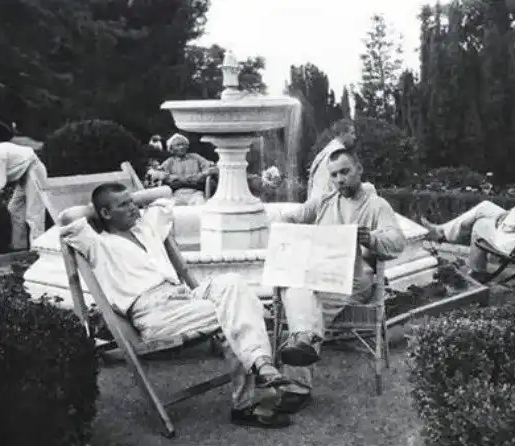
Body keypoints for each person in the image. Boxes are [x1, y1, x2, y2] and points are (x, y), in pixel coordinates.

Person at [57, 183, 293, 428]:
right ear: (105, 213)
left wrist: (125, 200)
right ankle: (255, 378)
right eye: (123, 205)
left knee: (234, 283)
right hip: (154, 313)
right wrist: (97, 208)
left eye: (132, 202)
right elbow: (67, 217)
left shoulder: (146, 228)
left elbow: (165, 194)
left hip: (185, 298)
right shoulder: (97, 244)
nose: (133, 207)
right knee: (238, 311)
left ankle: (259, 366)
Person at [274, 148, 407, 414]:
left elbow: (397, 241)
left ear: (359, 170)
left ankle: (298, 383)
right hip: (321, 276)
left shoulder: (376, 205)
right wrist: (297, 236)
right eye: (334, 175)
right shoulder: (325, 201)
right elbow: (287, 218)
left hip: (355, 279)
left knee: (299, 294)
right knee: (297, 287)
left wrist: (371, 239)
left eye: (345, 172)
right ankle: (305, 340)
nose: (339, 179)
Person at [420, 149, 515, 282]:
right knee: (485, 206)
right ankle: (442, 231)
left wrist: (502, 221)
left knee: (481, 223)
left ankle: (476, 270)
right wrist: (508, 215)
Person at [150, 133, 214, 205]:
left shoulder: (195, 157)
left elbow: (209, 168)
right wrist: (172, 178)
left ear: (187, 146)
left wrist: (200, 176)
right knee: (168, 207)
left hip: (196, 193)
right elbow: (159, 174)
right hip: (176, 194)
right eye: (178, 145)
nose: (181, 147)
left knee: (200, 205)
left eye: (183, 144)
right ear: (171, 148)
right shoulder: (169, 162)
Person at [307, 119, 358, 200]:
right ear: (342, 134)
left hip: (315, 201)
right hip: (327, 202)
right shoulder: (340, 154)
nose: (354, 137)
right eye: (352, 133)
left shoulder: (324, 152)